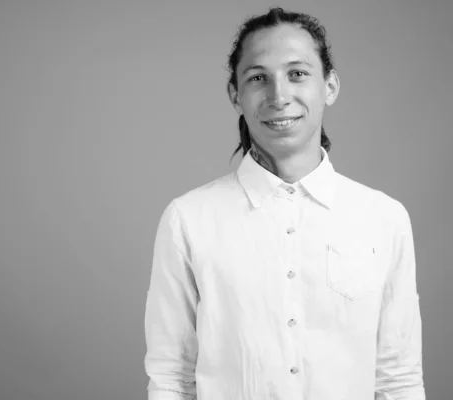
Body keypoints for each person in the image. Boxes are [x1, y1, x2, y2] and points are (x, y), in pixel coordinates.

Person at [143, 7, 425, 400]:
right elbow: (172, 376)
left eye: (297, 74)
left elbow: (398, 377)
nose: (278, 96)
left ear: (329, 86)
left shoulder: (384, 218)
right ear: (235, 95)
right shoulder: (188, 220)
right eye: (258, 78)